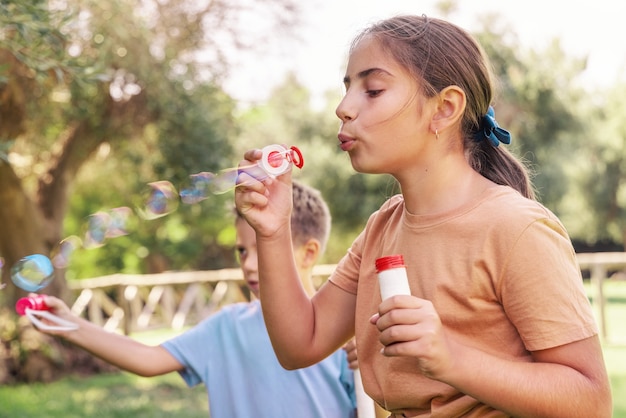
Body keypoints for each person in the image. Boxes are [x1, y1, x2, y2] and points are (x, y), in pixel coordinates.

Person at [234, 15, 613, 418]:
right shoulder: (383, 226)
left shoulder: (516, 228)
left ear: (444, 108)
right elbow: (300, 344)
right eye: (347, 89)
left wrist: (451, 358)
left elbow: (592, 403)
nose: (343, 108)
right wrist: (273, 232)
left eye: (373, 89)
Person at [33, 181, 357, 418]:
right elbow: (149, 360)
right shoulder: (227, 326)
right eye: (242, 251)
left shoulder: (340, 334)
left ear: (309, 252)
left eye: (262, 247)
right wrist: (69, 325)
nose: (247, 263)